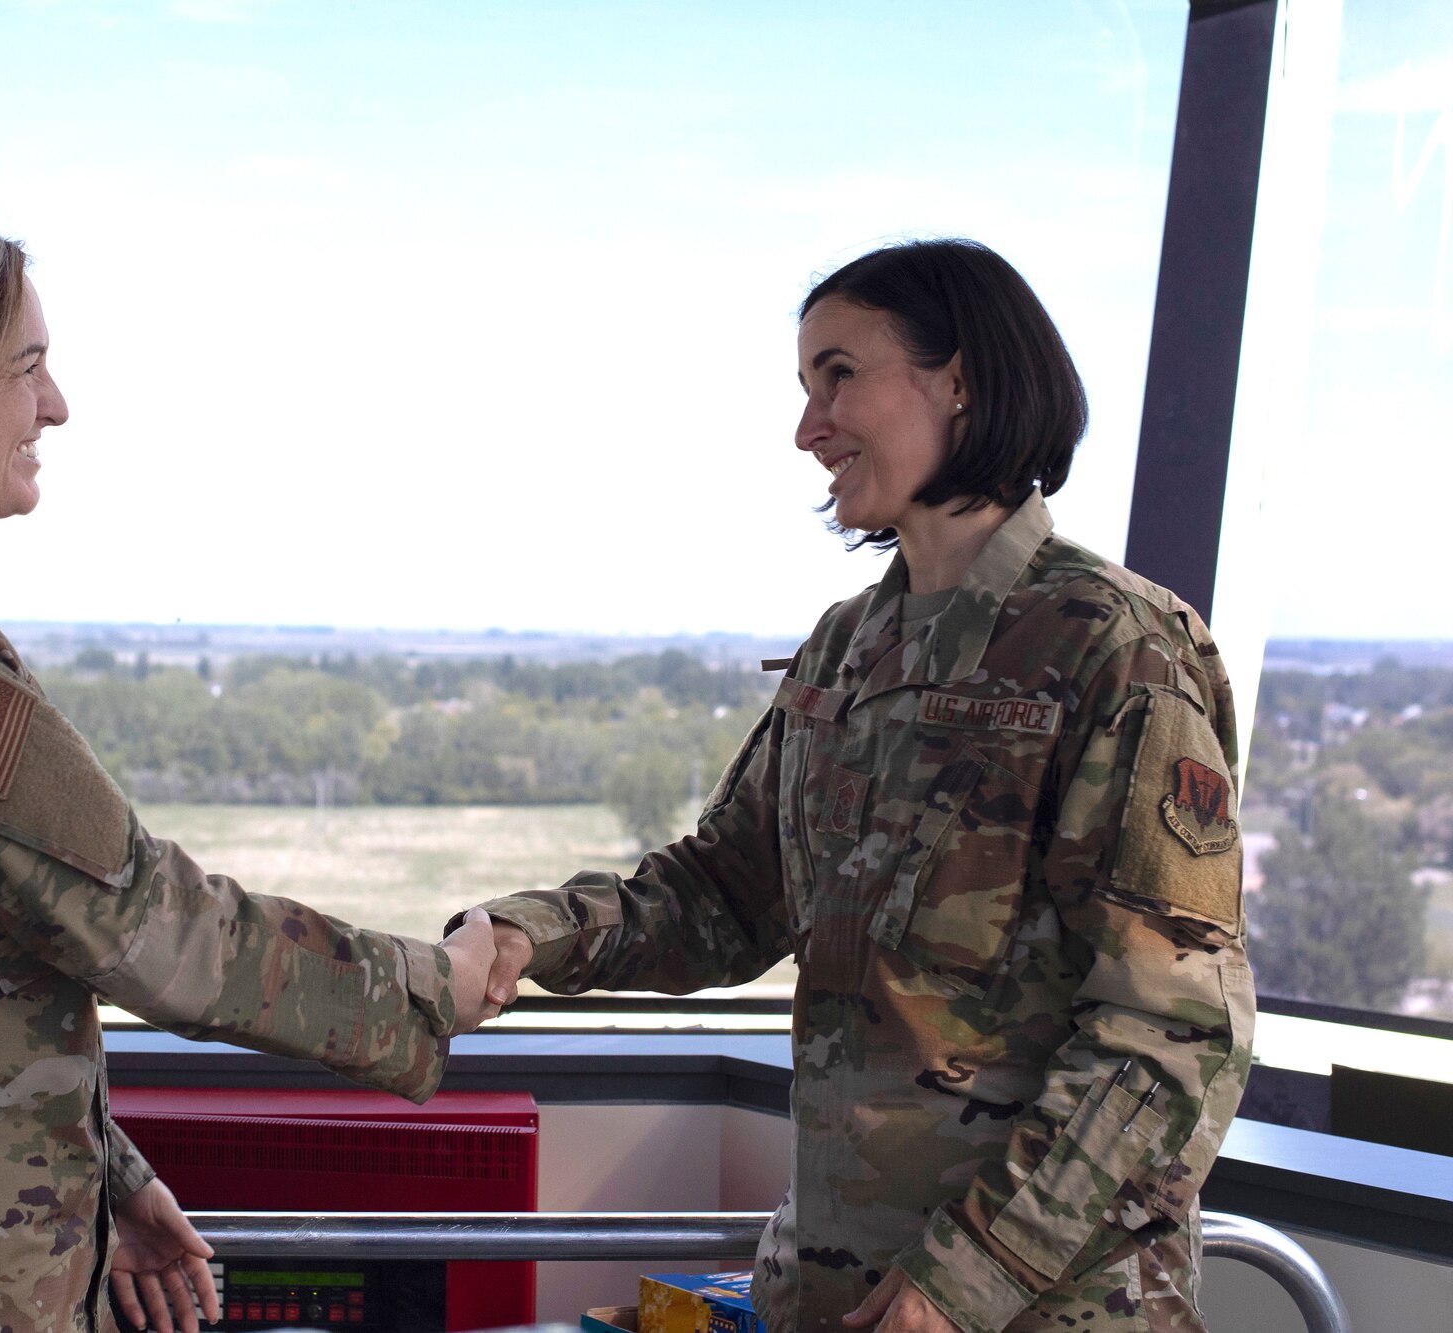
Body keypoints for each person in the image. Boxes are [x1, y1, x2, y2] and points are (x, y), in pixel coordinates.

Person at [0, 208, 499, 1333]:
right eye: (26, 368)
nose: (54, 405)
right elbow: (154, 922)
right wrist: (429, 987)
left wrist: (104, 1174)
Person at [456, 239, 1254, 1333]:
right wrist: (524, 934)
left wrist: (963, 1280)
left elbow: (1169, 1038)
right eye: (802, 387)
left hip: (1033, 1303)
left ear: (958, 381)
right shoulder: (847, 649)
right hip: (831, 1289)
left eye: (838, 375)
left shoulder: (1111, 648)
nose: (806, 427)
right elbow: (726, 894)